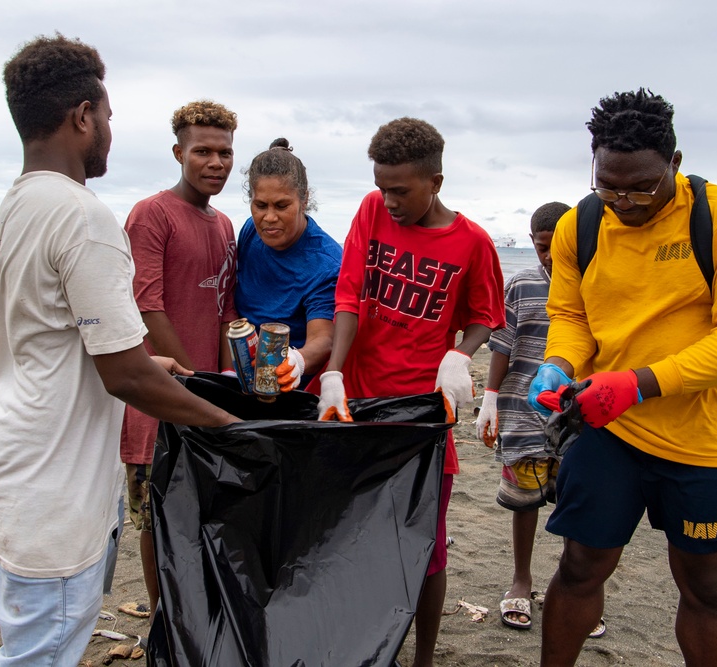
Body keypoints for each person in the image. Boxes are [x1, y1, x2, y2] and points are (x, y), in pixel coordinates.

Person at [0, 35, 239, 667]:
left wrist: (144, 365)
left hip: (13, 460)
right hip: (51, 484)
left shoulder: (18, 203)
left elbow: (47, 335)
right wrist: (231, 426)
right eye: (106, 117)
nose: (109, 130)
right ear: (83, 116)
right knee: (44, 652)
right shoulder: (84, 218)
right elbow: (127, 377)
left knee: (28, 640)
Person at [527, 89, 717, 666]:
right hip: (607, 433)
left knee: (705, 589)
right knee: (579, 568)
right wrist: (560, 364)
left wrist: (638, 383)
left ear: (676, 163)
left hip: (703, 441)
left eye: (642, 186)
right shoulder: (580, 226)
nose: (625, 201)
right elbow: (572, 318)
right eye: (609, 185)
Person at [318, 117, 505, 666]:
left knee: (426, 548)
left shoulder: (471, 243)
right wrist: (334, 374)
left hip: (423, 414)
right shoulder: (372, 213)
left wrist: (459, 354)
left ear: (436, 182)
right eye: (382, 186)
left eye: (401, 190)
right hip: (360, 403)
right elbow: (350, 295)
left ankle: (424, 656)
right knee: (353, 535)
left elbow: (485, 315)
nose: (389, 200)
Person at [119, 99, 239, 619]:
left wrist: (226, 378)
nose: (216, 163)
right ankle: (162, 619)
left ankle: (201, 616)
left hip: (205, 395)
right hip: (159, 399)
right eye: (203, 151)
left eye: (225, 152)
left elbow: (224, 310)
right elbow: (148, 306)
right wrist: (192, 383)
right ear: (178, 153)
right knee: (157, 518)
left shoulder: (225, 224)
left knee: (205, 515)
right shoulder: (152, 213)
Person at [474, 202, 571, 630]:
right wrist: (490, 400)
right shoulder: (522, 285)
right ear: (533, 242)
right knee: (525, 501)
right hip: (522, 412)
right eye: (542, 246)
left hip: (575, 417)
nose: (549, 256)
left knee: (576, 501)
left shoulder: (593, 284)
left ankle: (572, 587)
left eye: (558, 246)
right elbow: (502, 344)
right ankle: (521, 580)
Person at [234, 138, 342, 391]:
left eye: (282, 206)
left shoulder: (325, 264)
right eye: (260, 205)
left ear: (304, 200)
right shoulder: (251, 231)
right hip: (241, 373)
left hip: (292, 388)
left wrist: (297, 362)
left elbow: (323, 339)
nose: (269, 218)